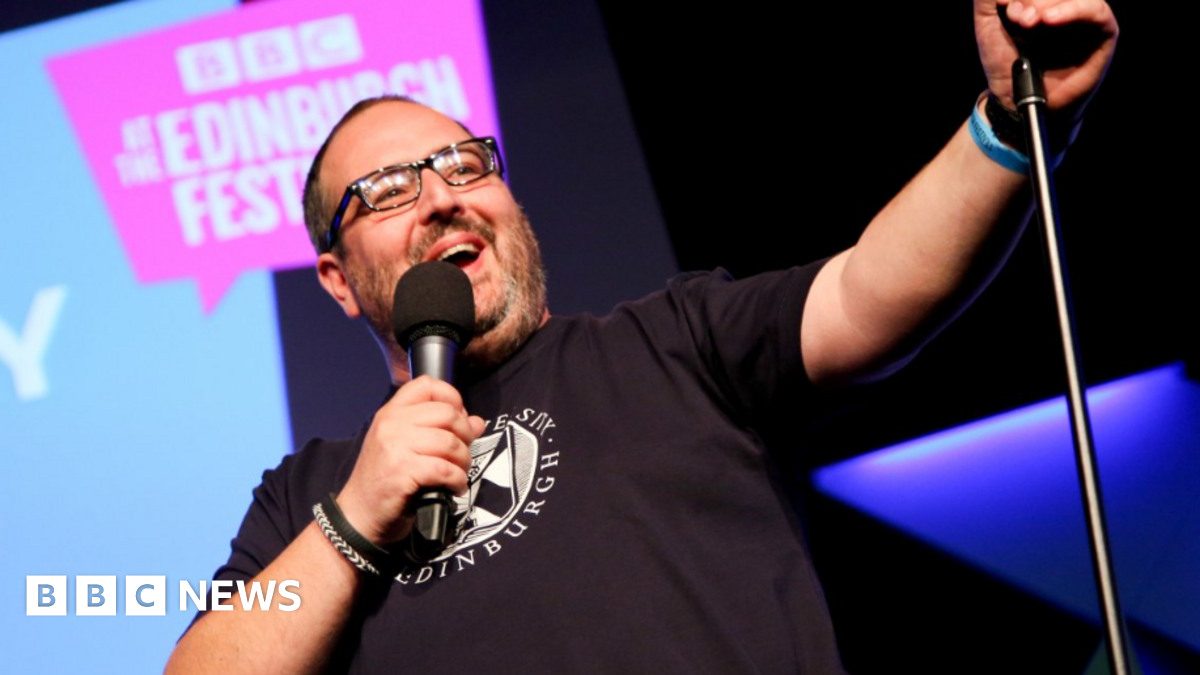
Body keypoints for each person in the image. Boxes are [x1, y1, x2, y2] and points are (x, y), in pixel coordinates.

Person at [166, 1, 1118, 672]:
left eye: (460, 162)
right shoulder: (304, 496)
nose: (443, 195)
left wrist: (1006, 123)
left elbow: (873, 292)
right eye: (385, 191)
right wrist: (353, 521)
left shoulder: (674, 343)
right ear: (335, 280)